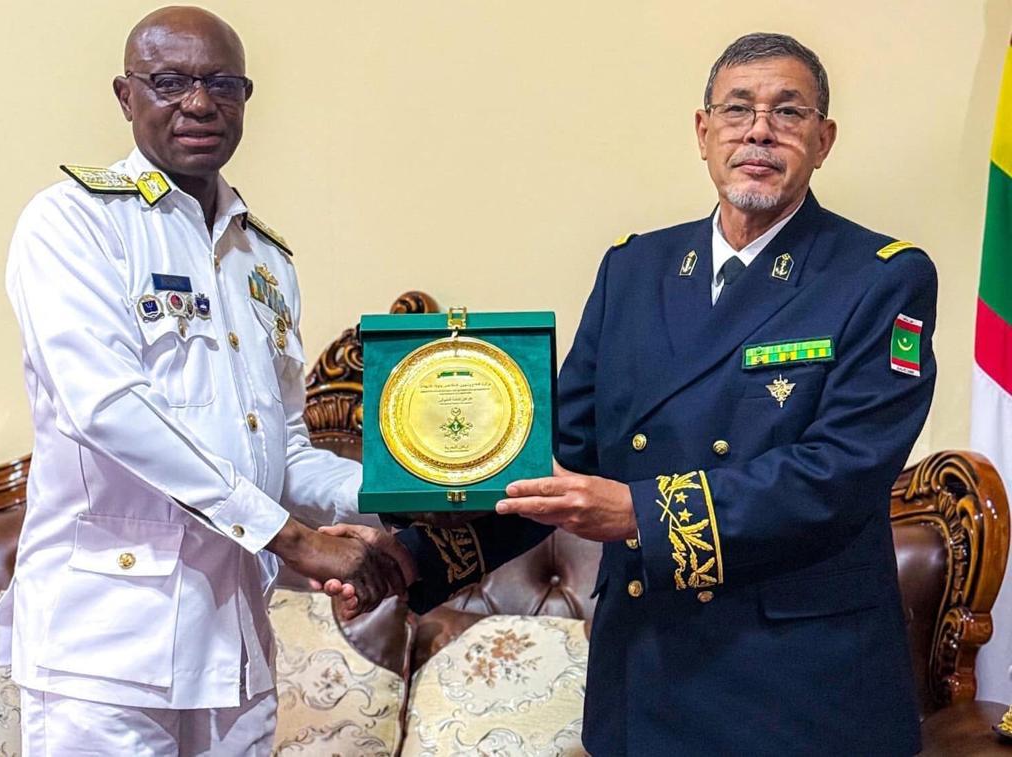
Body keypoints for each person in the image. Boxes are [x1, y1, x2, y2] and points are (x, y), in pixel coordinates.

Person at [327, 32, 937, 755]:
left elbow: (838, 473)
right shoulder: (635, 268)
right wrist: (413, 556)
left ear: (823, 139)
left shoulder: (879, 277)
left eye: (788, 111)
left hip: (799, 684)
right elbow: (562, 458)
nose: (759, 131)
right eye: (737, 109)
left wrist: (639, 512)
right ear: (703, 132)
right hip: (647, 670)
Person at [0, 6, 402, 754]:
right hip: (103, 650)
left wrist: (404, 488)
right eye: (170, 82)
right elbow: (108, 408)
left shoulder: (264, 257)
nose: (200, 103)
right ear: (126, 96)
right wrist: (295, 539)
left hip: (233, 645)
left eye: (222, 84)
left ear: (246, 98)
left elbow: (284, 448)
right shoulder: (74, 222)